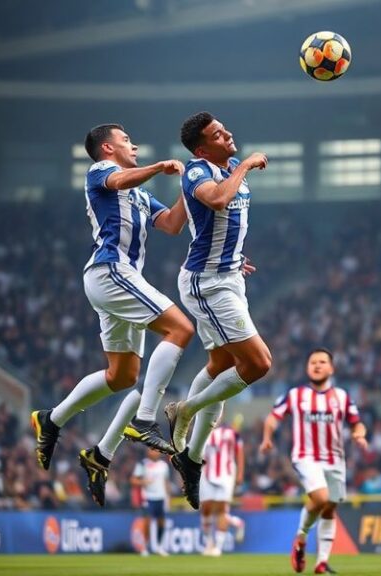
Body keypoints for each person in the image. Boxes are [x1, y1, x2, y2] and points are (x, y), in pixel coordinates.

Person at [31, 123, 195, 506]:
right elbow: (118, 183)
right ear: (107, 148)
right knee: (181, 329)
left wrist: (186, 186)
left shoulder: (139, 193)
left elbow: (171, 224)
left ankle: (52, 420)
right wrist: (159, 167)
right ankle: (145, 420)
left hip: (119, 278)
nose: (133, 144)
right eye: (126, 140)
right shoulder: (99, 172)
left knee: (123, 377)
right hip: (110, 271)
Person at [158, 111, 271, 510]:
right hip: (208, 285)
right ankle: (182, 410)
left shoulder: (218, 169)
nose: (228, 135)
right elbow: (219, 200)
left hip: (227, 276)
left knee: (222, 366)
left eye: (226, 129)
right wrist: (244, 164)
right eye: (219, 134)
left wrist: (234, 257)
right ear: (203, 147)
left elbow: (180, 223)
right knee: (258, 365)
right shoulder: (197, 171)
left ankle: (190, 457)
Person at [260, 348, 368, 575]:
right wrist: (267, 438)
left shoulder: (342, 397)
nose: (317, 366)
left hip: (336, 460)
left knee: (329, 508)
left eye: (322, 362)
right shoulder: (295, 395)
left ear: (331, 368)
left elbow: (357, 422)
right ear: (307, 368)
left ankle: (321, 563)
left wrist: (359, 434)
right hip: (306, 457)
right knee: (321, 497)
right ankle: (300, 537)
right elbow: (273, 417)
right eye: (312, 363)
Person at [200, 415, 246, 557]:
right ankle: (209, 543)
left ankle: (217, 548)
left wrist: (240, 473)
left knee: (221, 510)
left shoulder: (231, 433)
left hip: (226, 475)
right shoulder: (202, 433)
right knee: (206, 509)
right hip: (206, 474)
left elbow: (240, 453)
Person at [131, 448, 173, 556]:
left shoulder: (163, 465)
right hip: (148, 497)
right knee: (147, 522)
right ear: (148, 452)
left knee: (161, 522)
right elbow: (133, 480)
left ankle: (159, 547)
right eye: (152, 450)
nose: (154, 452)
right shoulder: (142, 464)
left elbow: (166, 482)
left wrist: (168, 497)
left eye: (156, 450)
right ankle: (145, 547)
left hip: (161, 497)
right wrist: (143, 481)